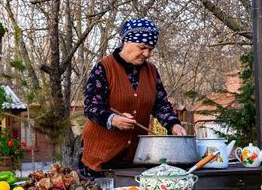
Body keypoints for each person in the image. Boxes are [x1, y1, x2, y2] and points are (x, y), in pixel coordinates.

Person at [80, 18, 187, 179]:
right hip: (99, 159)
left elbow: (161, 105)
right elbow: (91, 108)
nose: (147, 54)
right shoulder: (104, 68)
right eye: (142, 47)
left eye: (151, 49)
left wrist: (174, 125)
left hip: (135, 158)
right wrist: (113, 119)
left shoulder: (151, 71)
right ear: (125, 42)